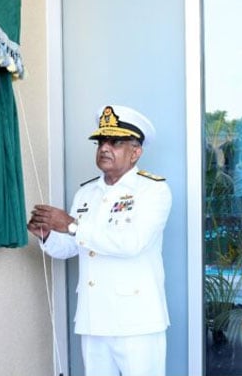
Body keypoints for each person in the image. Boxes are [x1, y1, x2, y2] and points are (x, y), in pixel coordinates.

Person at [27, 105, 172, 376]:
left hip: (136, 322)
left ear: (135, 152)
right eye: (101, 142)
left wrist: (70, 224)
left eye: (116, 142)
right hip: (94, 318)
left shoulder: (153, 190)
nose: (105, 148)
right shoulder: (86, 193)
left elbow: (132, 243)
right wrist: (47, 235)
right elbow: (72, 246)